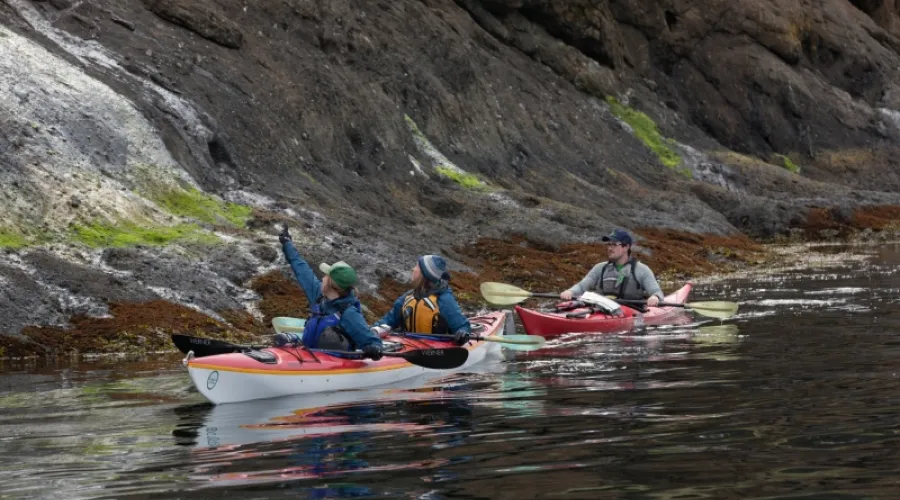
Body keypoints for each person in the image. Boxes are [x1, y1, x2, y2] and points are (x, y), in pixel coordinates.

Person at [274, 225, 383, 360]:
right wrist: (287, 244)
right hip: (309, 358)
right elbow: (302, 269)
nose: (323, 277)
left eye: (326, 276)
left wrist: (374, 348)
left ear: (331, 284)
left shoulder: (349, 314)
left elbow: (372, 341)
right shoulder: (319, 297)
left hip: (334, 368)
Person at [371, 254, 472, 345]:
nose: (413, 269)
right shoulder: (407, 297)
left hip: (437, 347)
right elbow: (388, 320)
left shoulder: (444, 299)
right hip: (409, 345)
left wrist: (463, 333)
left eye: (417, 266)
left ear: (425, 274)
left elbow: (462, 326)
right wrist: (371, 331)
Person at [560, 229, 664, 307]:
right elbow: (582, 287)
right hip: (601, 310)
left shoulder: (641, 270)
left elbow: (657, 292)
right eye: (609, 245)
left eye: (614, 245)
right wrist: (570, 292)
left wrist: (654, 297)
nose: (609, 248)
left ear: (626, 247)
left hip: (631, 311)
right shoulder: (600, 268)